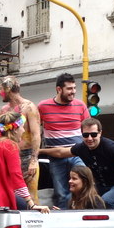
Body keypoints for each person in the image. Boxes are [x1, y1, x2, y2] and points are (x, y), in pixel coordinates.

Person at [40, 118, 114, 209]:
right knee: (74, 199)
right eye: (86, 135)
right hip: (101, 187)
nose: (90, 138)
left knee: (107, 200)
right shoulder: (82, 148)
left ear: (100, 133)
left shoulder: (112, 148)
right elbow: (61, 152)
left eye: (93, 134)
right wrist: (39, 151)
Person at [38, 73, 89, 209]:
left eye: (74, 88)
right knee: (62, 194)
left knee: (84, 187)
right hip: (56, 158)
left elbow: (88, 129)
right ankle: (62, 219)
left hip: (77, 154)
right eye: (69, 89)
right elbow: (35, 130)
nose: (73, 92)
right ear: (59, 89)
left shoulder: (80, 106)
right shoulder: (43, 106)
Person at [0, 76, 41, 204]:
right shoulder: (3, 110)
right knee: (10, 196)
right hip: (9, 157)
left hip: (27, 157)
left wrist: (34, 160)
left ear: (8, 88)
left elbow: (36, 135)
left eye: (1, 89)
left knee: (31, 198)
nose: (0, 93)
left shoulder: (29, 107)